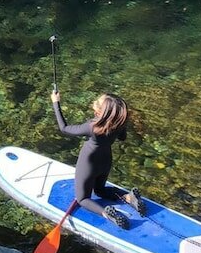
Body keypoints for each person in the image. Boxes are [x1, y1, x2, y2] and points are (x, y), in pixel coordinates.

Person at [51, 90, 146, 229]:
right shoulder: (117, 125)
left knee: (83, 199)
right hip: (106, 160)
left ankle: (107, 213)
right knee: (100, 190)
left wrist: (55, 102)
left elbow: (64, 128)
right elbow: (122, 137)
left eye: (98, 103)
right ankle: (128, 197)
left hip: (88, 162)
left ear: (103, 112)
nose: (95, 102)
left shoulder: (92, 126)